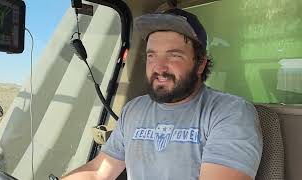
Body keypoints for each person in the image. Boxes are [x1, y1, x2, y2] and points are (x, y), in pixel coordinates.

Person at [62, 8, 263, 180]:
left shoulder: (230, 112)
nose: (158, 67)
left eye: (173, 55)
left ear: (200, 63)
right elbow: (99, 172)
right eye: (152, 56)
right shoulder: (134, 109)